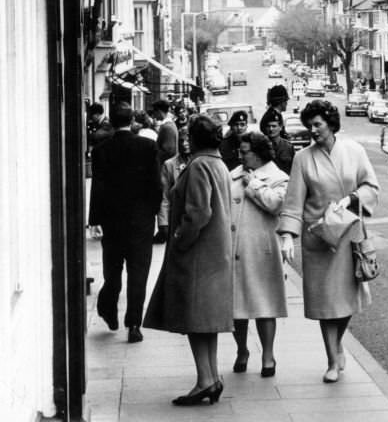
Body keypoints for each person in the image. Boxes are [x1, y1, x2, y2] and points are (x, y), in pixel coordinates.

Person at [277, 99, 380, 384]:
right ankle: (332, 359)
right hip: (319, 239)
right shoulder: (302, 159)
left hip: (349, 234)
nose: (313, 130)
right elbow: (294, 201)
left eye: (318, 124)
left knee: (347, 298)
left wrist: (353, 197)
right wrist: (287, 235)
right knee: (325, 302)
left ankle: (338, 345)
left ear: (331, 124)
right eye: (310, 125)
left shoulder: (355, 151)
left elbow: (371, 185)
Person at [143, 114, 234, 406]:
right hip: (216, 253)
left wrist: (181, 238)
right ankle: (211, 377)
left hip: (197, 255)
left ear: (193, 139)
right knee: (206, 321)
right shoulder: (218, 164)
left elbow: (198, 213)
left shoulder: (198, 166)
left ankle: (205, 381)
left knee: (195, 319)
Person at [87, 101, 162, 343]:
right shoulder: (148, 146)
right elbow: (156, 185)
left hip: (112, 221)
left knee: (113, 270)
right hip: (141, 221)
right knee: (138, 273)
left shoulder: (101, 149)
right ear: (132, 121)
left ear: (111, 120)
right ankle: (134, 324)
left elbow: (97, 187)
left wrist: (94, 220)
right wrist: (153, 213)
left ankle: (108, 307)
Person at [229, 132, 289, 378]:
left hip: (263, 250)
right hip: (235, 249)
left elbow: (276, 205)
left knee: (265, 305)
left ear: (259, 153)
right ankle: (241, 350)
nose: (241, 156)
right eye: (240, 152)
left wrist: (253, 184)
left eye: (245, 152)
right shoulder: (233, 174)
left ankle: (268, 355)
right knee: (236, 307)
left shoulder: (279, 177)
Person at [150, 98, 179, 165]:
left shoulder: (167, 127)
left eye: (154, 112)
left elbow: (168, 151)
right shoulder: (168, 125)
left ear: (159, 112)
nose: (153, 115)